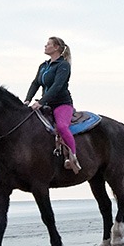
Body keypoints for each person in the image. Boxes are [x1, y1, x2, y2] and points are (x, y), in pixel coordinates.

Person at [27, 36, 79, 174]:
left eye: (48, 44)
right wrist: (28, 99)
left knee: (62, 126)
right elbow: (35, 83)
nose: (45, 46)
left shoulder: (63, 65)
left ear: (56, 48)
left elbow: (57, 86)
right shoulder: (44, 66)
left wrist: (41, 102)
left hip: (61, 104)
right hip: (45, 104)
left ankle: (73, 156)